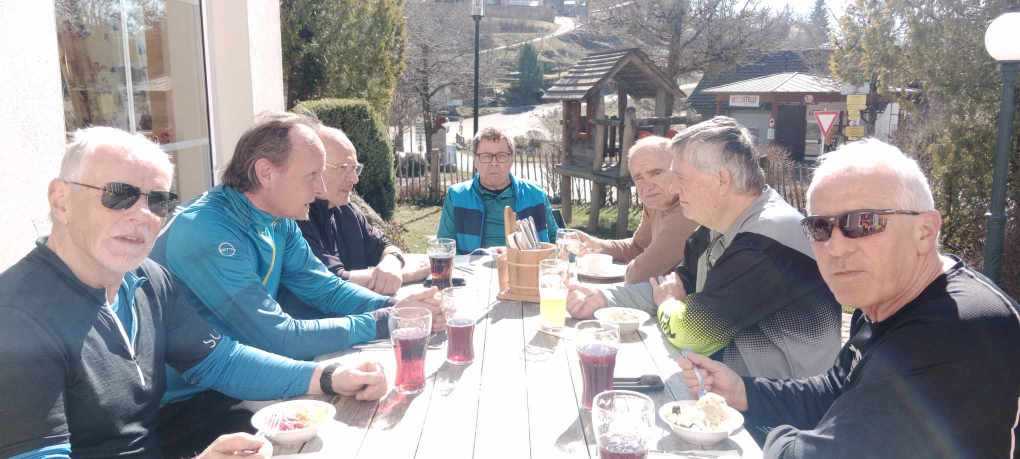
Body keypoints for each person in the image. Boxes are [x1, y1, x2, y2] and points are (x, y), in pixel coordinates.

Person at [0, 127, 387, 458]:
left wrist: (330, 376)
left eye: (158, 201)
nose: (142, 215)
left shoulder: (147, 281)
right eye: (118, 194)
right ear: (61, 201)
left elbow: (221, 361)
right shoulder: (17, 318)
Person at [676, 138, 1020, 458]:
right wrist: (742, 391)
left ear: (925, 231)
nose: (836, 248)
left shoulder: (958, 333)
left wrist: (776, 438)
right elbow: (835, 391)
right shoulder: (884, 302)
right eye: (820, 228)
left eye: (864, 223)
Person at [150, 113, 440, 454]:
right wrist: (384, 321)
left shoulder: (277, 219)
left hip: (241, 378)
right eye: (312, 176)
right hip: (180, 408)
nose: (321, 189)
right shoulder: (205, 231)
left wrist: (398, 309)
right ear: (265, 173)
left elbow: (325, 288)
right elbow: (277, 336)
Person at [566, 117, 841, 379]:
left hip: (778, 402)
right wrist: (603, 298)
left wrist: (668, 304)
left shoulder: (767, 240)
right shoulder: (718, 224)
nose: (674, 188)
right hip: (728, 381)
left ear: (721, 180)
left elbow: (692, 333)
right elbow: (675, 284)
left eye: (680, 178)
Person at [295, 125, 429, 295]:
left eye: (355, 168)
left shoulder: (347, 211)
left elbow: (384, 245)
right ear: (317, 167)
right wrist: (405, 274)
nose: (355, 179)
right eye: (344, 168)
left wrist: (391, 262)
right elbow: (331, 282)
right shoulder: (297, 217)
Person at [573, 136, 699, 284]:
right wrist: (597, 245)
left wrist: (609, 267)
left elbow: (641, 274)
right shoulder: (656, 202)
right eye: (639, 178)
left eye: (656, 173)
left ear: (678, 171)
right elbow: (637, 247)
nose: (647, 187)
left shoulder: (688, 209)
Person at [437, 126, 559, 253]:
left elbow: (557, 241)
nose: (494, 163)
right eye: (486, 156)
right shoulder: (457, 196)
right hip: (472, 264)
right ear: (475, 161)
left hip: (524, 264)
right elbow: (444, 247)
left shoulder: (535, 195)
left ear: (511, 159)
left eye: (501, 156)